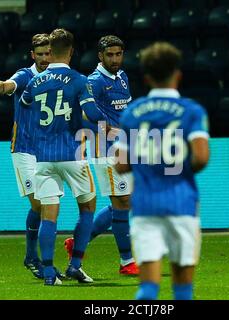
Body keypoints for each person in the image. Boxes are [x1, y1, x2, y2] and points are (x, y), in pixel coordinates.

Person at [114, 42, 210, 300]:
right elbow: (201, 158)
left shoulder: (132, 113)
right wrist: (176, 167)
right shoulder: (192, 111)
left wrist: (148, 164)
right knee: (183, 289)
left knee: (147, 288)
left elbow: (121, 164)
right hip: (182, 203)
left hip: (145, 205)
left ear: (146, 78)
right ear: (178, 74)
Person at [20, 28, 107, 286]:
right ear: (70, 51)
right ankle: (75, 266)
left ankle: (48, 272)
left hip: (43, 158)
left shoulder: (34, 82)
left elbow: (24, 103)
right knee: (88, 207)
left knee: (49, 214)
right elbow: (92, 113)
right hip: (72, 154)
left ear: (51, 51)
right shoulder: (80, 80)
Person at [0, 34, 64, 279]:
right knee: (39, 204)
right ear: (32, 55)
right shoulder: (25, 75)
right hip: (24, 149)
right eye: (39, 54)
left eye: (48, 53)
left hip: (48, 150)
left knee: (49, 205)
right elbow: (10, 85)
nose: (44, 59)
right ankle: (32, 256)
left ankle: (38, 259)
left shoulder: (59, 78)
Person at [64, 35, 138, 275]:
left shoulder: (122, 77)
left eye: (118, 54)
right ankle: (127, 262)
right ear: (100, 56)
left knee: (126, 201)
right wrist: (103, 129)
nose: (115, 59)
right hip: (104, 149)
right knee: (122, 202)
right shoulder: (93, 82)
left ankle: (77, 243)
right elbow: (81, 113)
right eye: (110, 55)